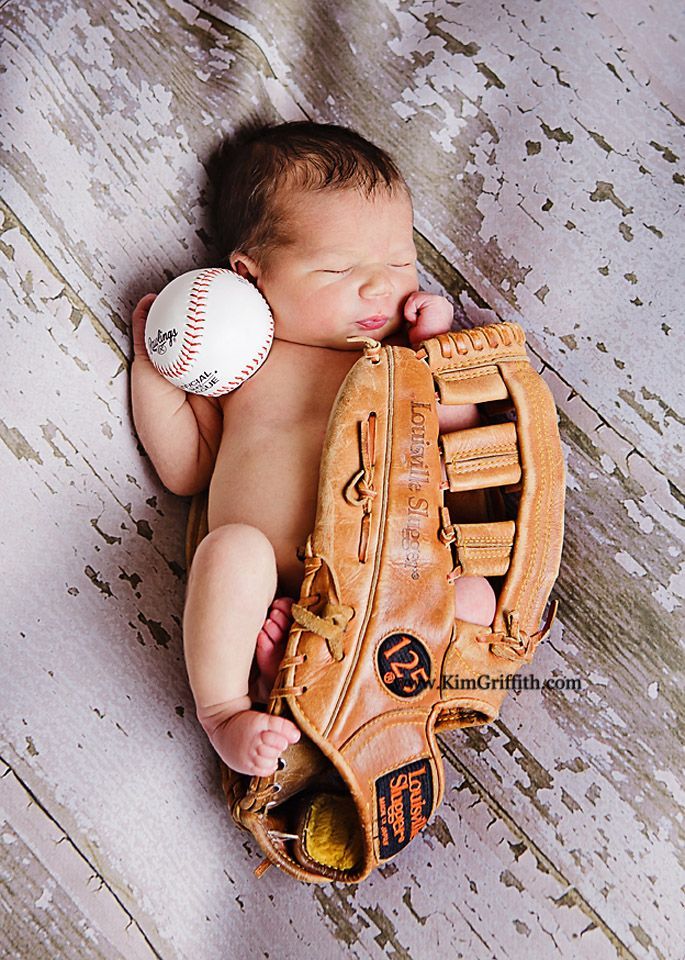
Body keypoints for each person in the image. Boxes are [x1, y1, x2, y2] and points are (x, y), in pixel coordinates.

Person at [130, 122, 496, 778]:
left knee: (472, 600)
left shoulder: (396, 361)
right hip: (272, 578)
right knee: (227, 552)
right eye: (337, 269)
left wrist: (435, 355)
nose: (379, 289)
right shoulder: (244, 368)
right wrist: (155, 375)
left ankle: (358, 692)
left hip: (390, 572)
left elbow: (452, 440)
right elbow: (185, 470)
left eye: (396, 262)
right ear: (251, 275)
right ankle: (227, 710)